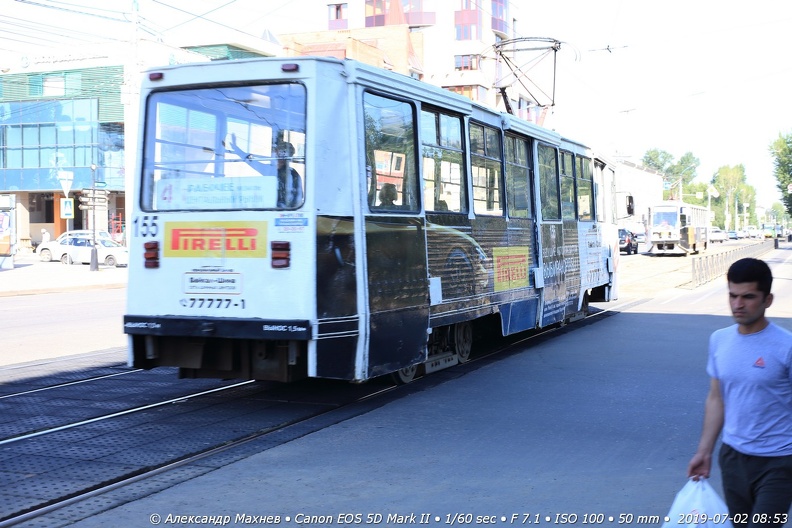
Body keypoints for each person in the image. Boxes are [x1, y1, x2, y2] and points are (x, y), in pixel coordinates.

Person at [687, 257, 792, 526]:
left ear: (767, 300)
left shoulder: (786, 347)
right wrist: (704, 450)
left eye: (748, 297)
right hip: (733, 458)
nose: (738, 304)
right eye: (733, 296)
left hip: (779, 462)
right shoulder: (719, 340)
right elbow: (716, 398)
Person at [275, 141, 303, 209]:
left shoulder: (294, 175)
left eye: (284, 154)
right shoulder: (270, 171)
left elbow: (298, 199)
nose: (280, 158)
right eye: (279, 154)